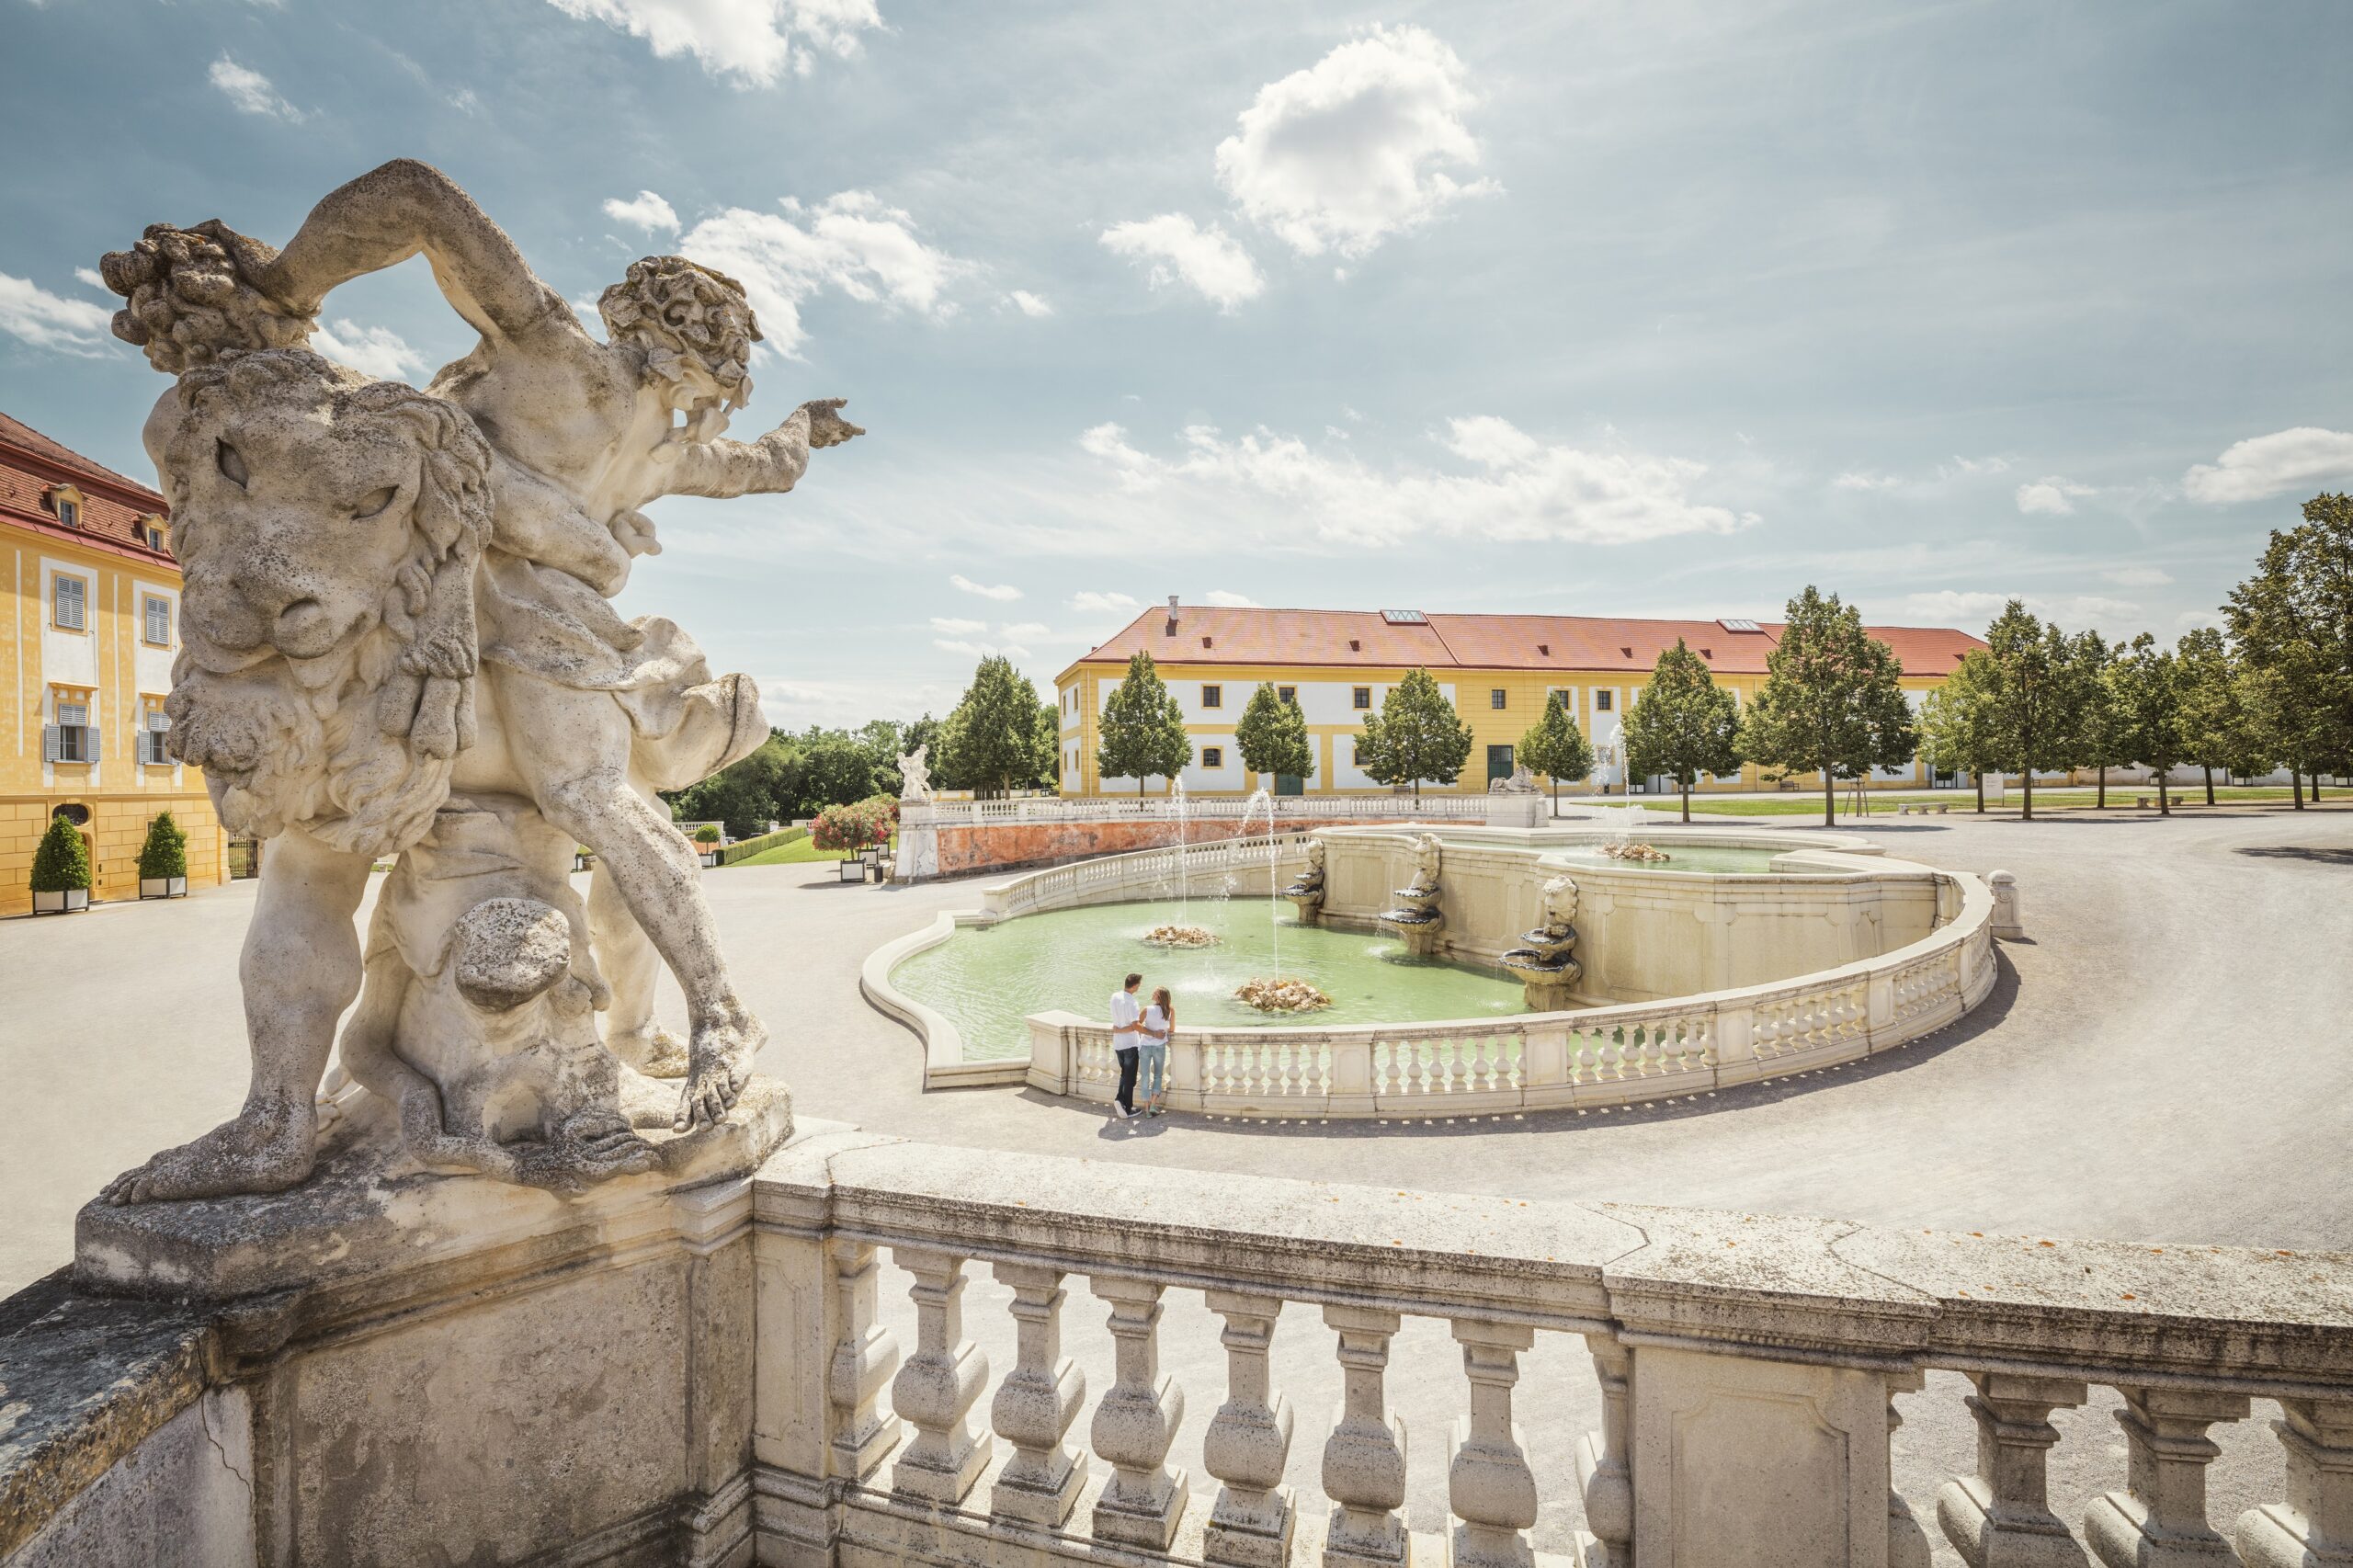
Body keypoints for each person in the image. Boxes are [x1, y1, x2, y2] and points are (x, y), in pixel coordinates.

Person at [1108, 972, 1145, 1119]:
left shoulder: (1114, 996)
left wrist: (1118, 1030)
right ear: (1136, 985)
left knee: (1126, 1074)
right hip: (1130, 1044)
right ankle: (1126, 1107)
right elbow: (1135, 1026)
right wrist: (1153, 1033)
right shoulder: (1132, 1002)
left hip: (1118, 1043)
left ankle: (1120, 1100)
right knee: (1129, 1078)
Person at [1139, 987, 1174, 1117]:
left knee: (1145, 1077)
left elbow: (1138, 1025)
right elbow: (1172, 1029)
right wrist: (1162, 1028)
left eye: (1155, 992)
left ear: (1159, 997)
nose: (1152, 993)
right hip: (1159, 1047)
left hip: (1145, 1046)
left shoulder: (1147, 1010)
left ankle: (1147, 1110)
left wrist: (1151, 1032)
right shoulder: (1170, 1010)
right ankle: (1153, 1104)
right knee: (1158, 1076)